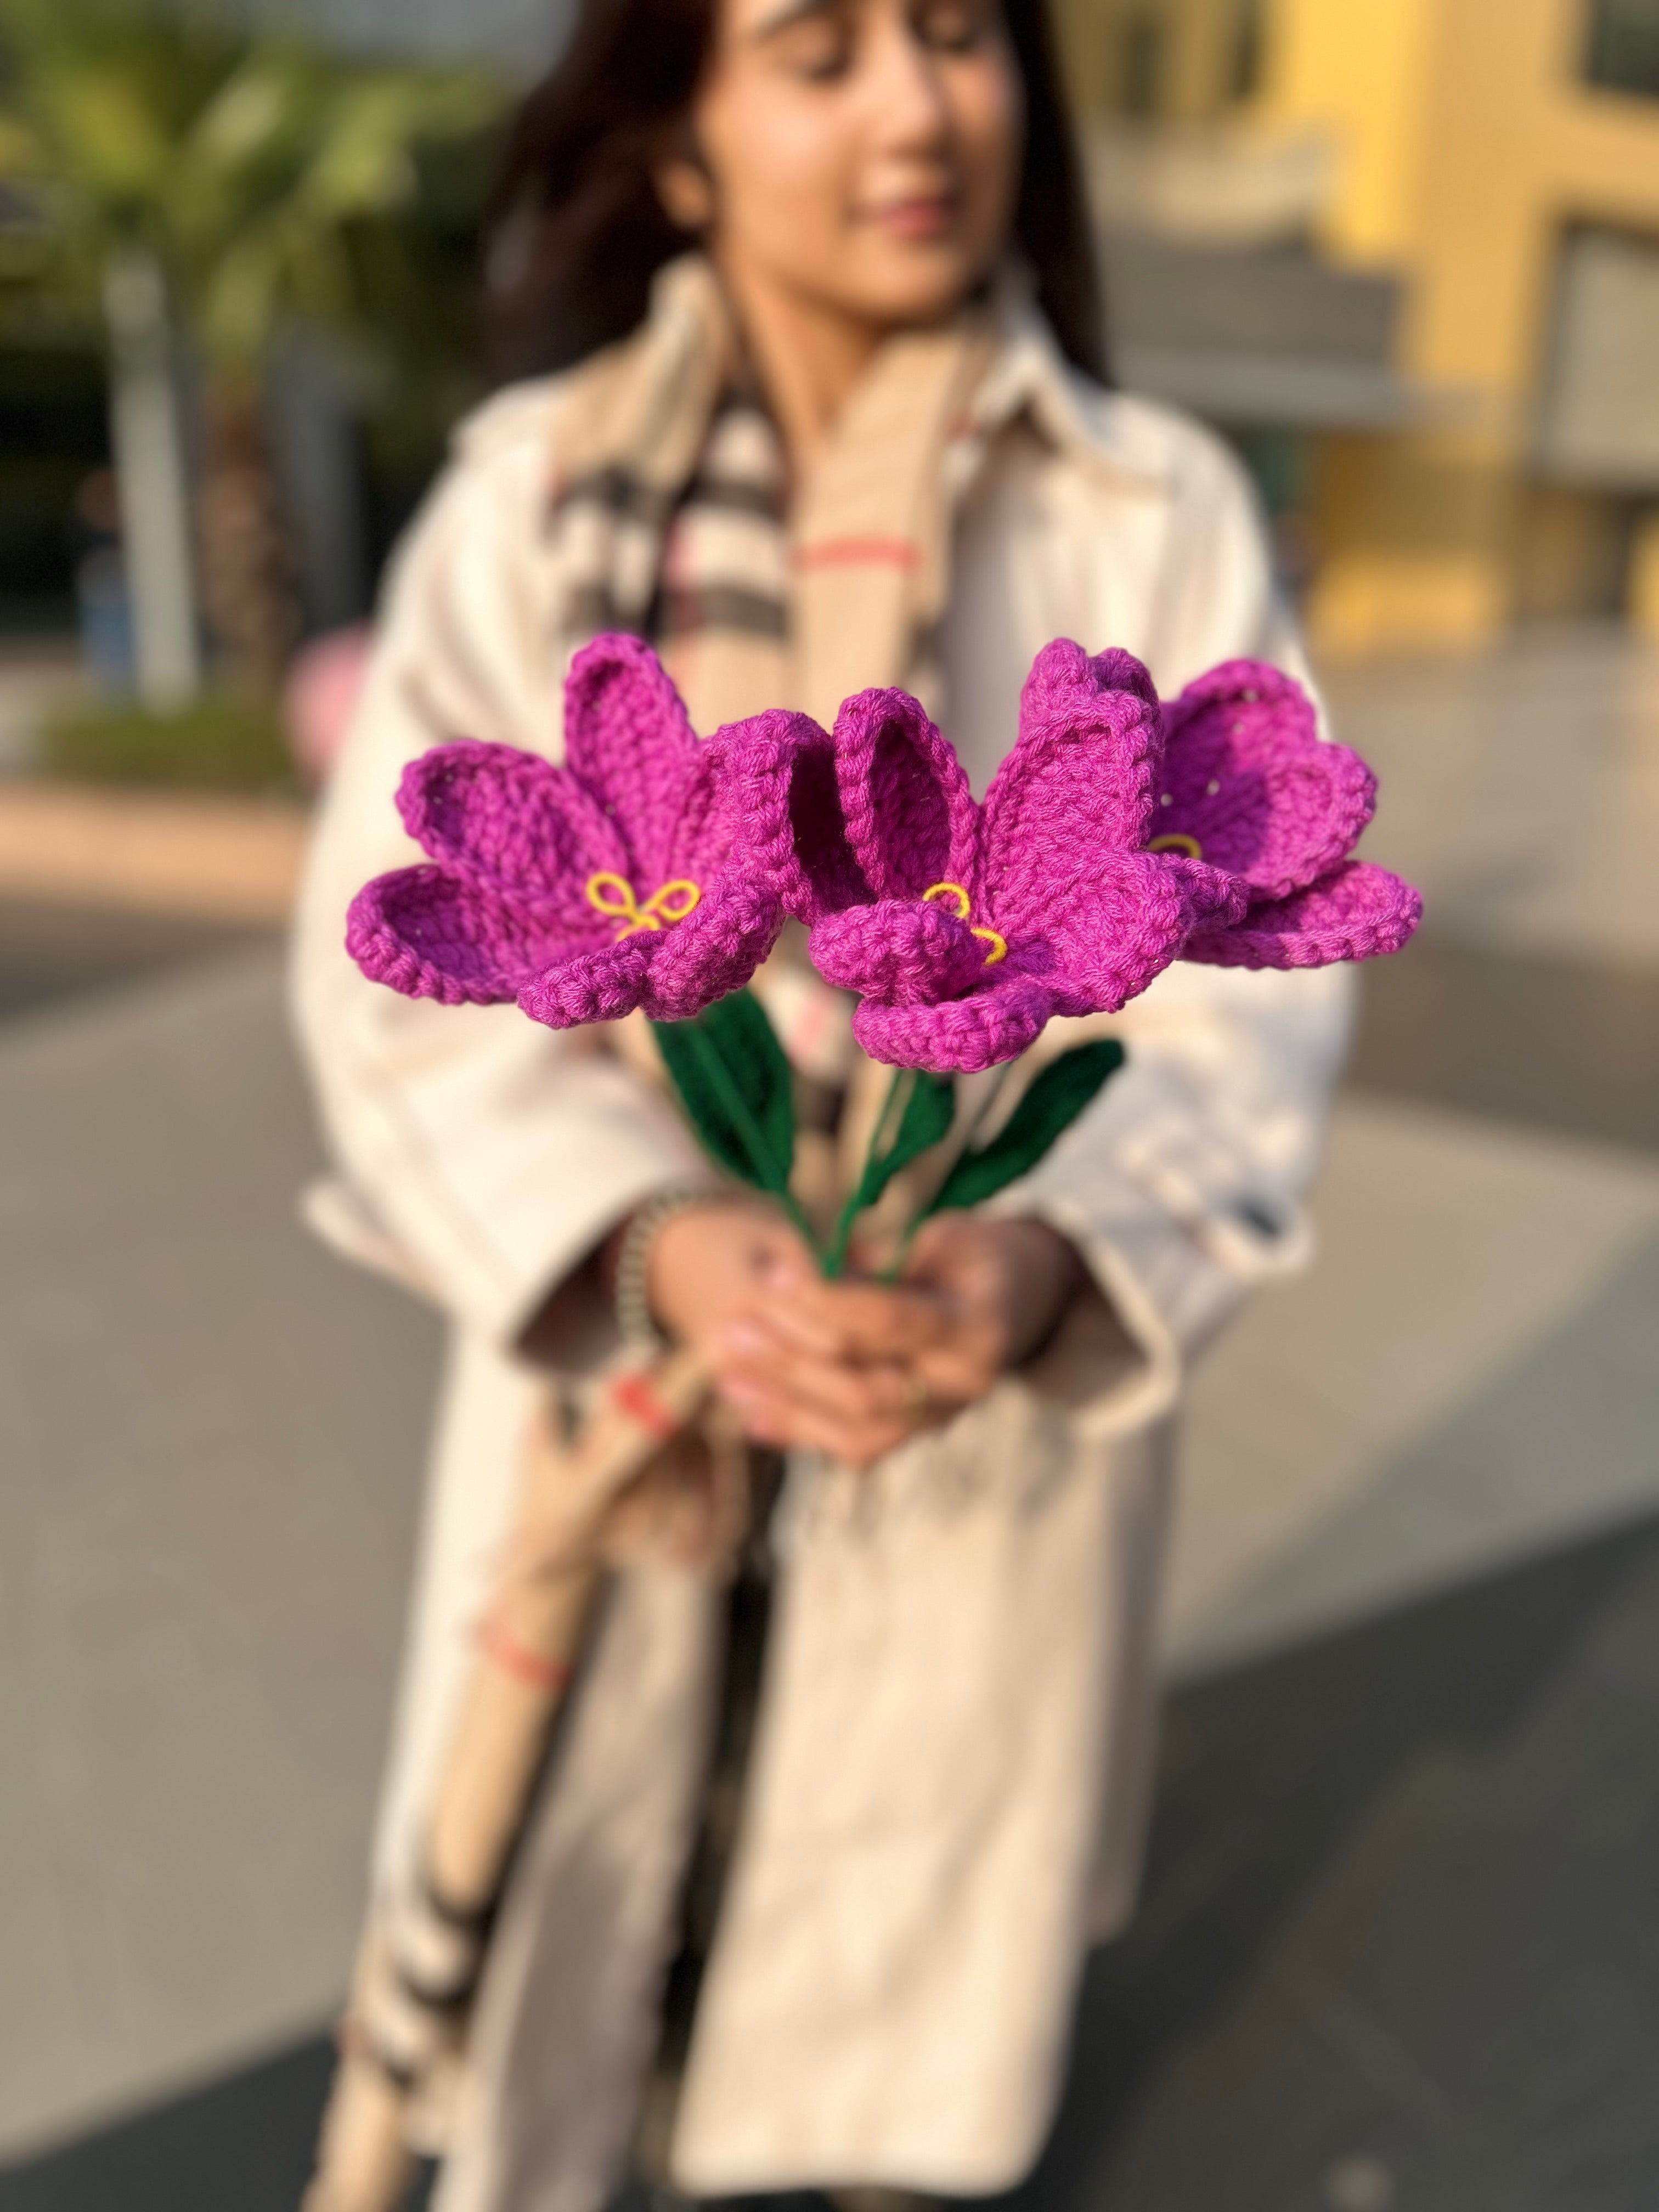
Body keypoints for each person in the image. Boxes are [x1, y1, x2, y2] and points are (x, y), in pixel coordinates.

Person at [290, 0, 1351, 2199]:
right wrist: (667, 1242)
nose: (912, 105)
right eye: (816, 48)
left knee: (888, 2056)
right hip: (630, 1400)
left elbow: (1243, 1026)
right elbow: (388, 979)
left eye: (957, 36)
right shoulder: (533, 502)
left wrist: (1032, 1258)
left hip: (971, 1418)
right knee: (563, 1998)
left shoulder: (1151, 516)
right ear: (678, 139)